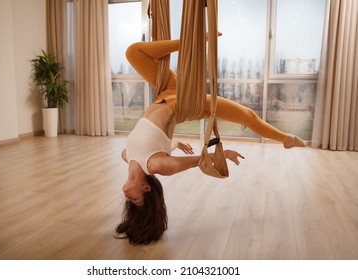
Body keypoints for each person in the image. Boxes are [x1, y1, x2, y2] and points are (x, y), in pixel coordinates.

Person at [115, 37, 306, 245]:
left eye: (129, 201)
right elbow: (200, 160)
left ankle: (191, 40)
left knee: (133, 52)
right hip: (184, 103)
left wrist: (176, 144)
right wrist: (222, 154)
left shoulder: (127, 156)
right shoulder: (158, 165)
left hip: (166, 91)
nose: (127, 196)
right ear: (146, 189)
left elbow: (155, 145)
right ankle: (286, 138)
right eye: (134, 199)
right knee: (247, 115)